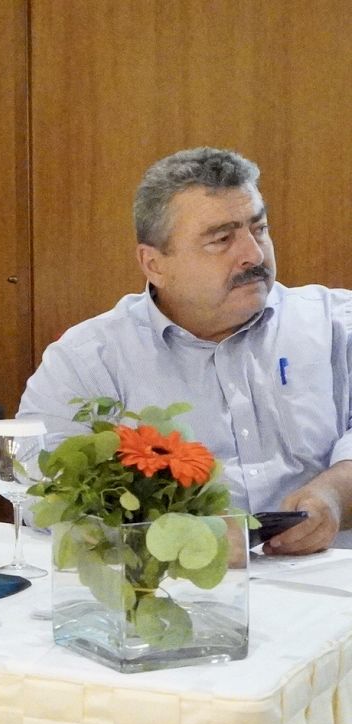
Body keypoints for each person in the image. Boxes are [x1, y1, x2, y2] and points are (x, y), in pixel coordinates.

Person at [18, 147, 352, 555]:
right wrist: (170, 534)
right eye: (221, 239)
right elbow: (38, 492)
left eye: (259, 228)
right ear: (154, 264)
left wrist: (335, 495)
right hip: (172, 582)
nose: (252, 254)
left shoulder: (336, 323)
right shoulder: (89, 360)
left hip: (332, 575)